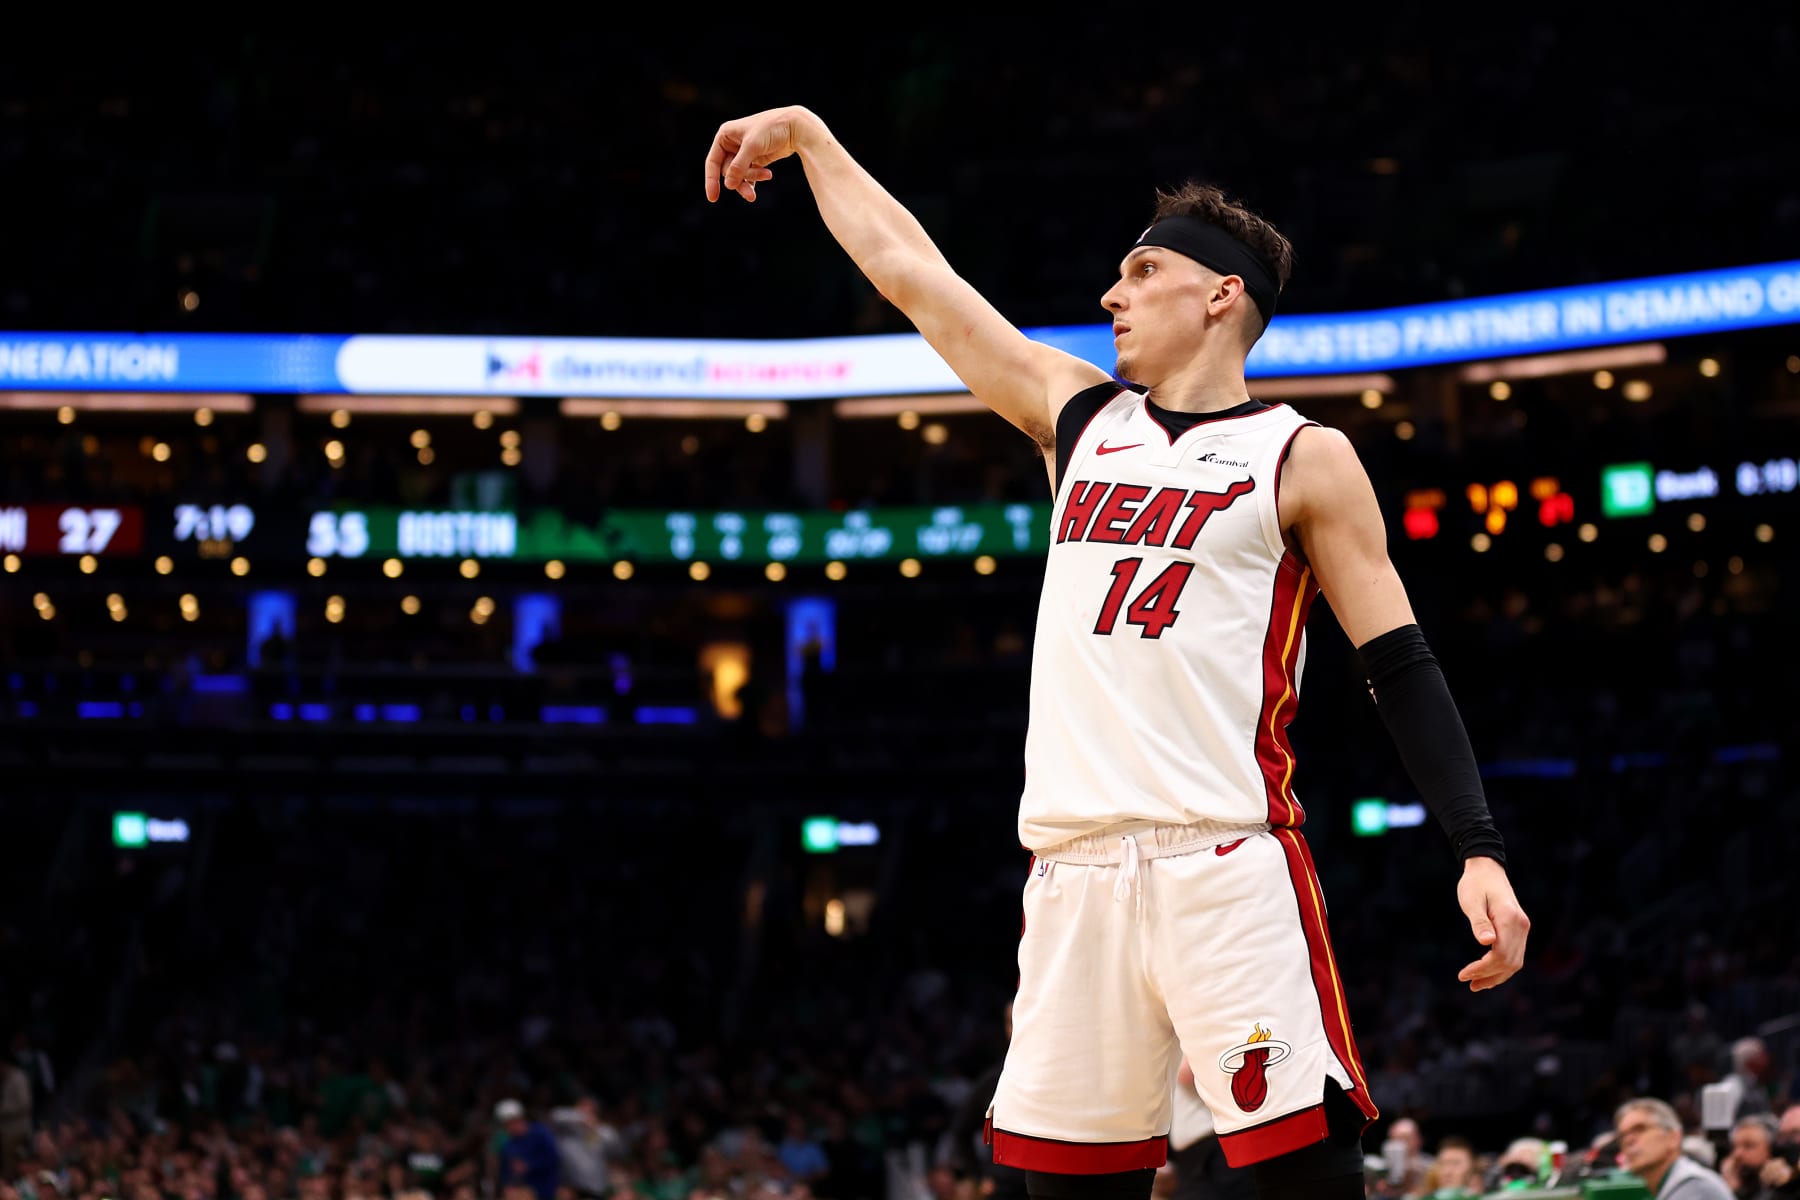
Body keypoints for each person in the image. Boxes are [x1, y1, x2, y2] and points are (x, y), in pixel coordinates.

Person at [704, 105, 1529, 1200]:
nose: (1111, 295)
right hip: (1072, 873)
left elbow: (1402, 664)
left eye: (1141, 272)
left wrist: (1478, 846)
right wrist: (811, 137)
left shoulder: (1303, 456)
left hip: (1224, 862)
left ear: (1221, 294)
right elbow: (914, 275)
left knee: (1301, 1180)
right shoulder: (1079, 420)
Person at [1616, 1097, 1734, 1199]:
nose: (1628, 1140)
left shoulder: (1694, 1187)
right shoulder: (1672, 1185)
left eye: (1640, 1129)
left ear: (1674, 1138)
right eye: (1622, 1135)